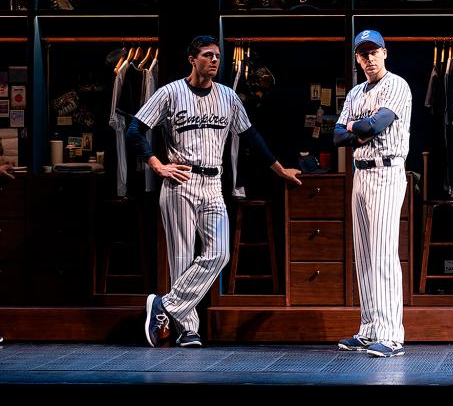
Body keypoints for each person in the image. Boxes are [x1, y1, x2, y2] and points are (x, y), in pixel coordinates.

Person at [128, 35, 302, 348]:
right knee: (181, 257)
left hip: (212, 183)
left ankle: (164, 307)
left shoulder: (228, 96)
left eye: (218, 56)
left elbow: (251, 137)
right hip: (180, 180)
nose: (215, 61)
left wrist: (280, 170)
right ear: (192, 59)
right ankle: (187, 330)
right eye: (208, 55)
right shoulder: (170, 92)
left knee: (219, 253)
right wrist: (157, 165)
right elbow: (135, 130)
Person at [334, 29, 412, 358]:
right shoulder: (354, 93)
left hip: (386, 171)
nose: (368, 58)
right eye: (362, 53)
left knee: (382, 255)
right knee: (364, 256)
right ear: (356, 58)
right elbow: (338, 135)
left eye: (373, 52)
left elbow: (371, 127)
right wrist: (355, 129)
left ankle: (392, 335)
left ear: (384, 52)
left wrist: (357, 128)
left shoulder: (396, 84)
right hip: (361, 174)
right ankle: (369, 329)